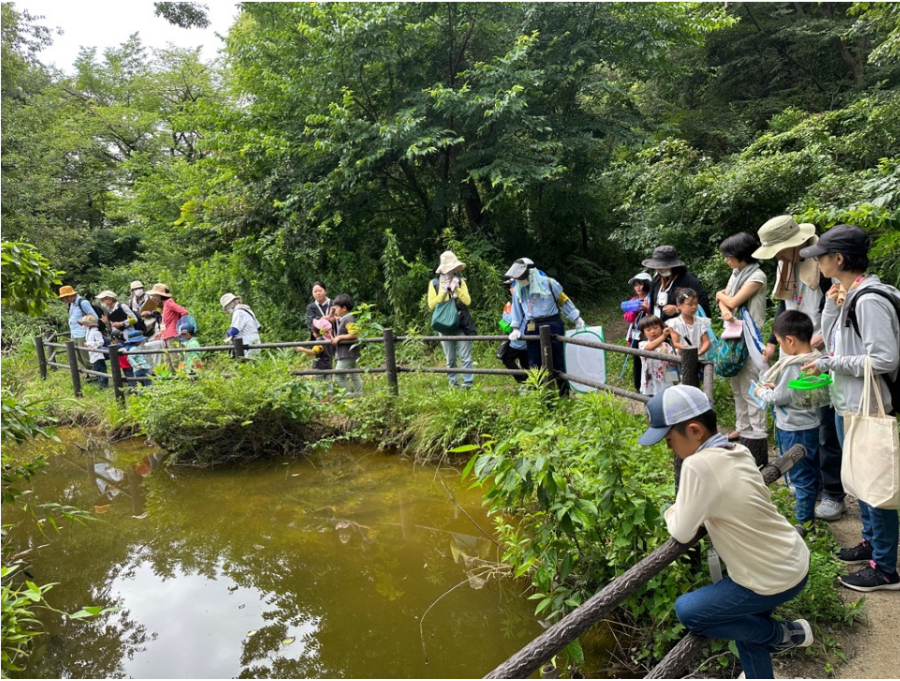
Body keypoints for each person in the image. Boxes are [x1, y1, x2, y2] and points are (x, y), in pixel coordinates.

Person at [638, 385, 812, 680]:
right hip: (792, 559)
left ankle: (781, 634)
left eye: (669, 441)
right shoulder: (738, 449)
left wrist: (670, 510)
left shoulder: (698, 465)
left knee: (688, 610)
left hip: (770, 578)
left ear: (694, 431)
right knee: (747, 623)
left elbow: (681, 530)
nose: (670, 450)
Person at [799, 224, 900, 591]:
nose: (817, 263)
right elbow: (830, 337)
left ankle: (886, 569)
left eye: (821, 257)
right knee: (861, 481)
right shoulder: (850, 294)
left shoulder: (870, 298)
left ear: (837, 259)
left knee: (876, 488)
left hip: (868, 406)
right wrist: (830, 300)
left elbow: (884, 359)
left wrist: (831, 364)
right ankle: (871, 545)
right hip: (851, 404)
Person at [753, 215, 845, 522]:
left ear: (795, 243)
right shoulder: (785, 264)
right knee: (801, 417)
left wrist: (819, 341)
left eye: (779, 250)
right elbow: (784, 306)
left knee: (824, 425)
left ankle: (833, 492)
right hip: (794, 349)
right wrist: (772, 339)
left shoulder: (824, 265)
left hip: (822, 354)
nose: (777, 256)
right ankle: (809, 484)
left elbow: (839, 306)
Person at [753, 311, 823, 529]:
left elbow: (780, 398)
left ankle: (804, 523)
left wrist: (760, 392)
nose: (781, 346)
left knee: (800, 475)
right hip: (811, 423)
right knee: (810, 469)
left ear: (790, 340)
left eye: (781, 342)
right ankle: (809, 512)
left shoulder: (793, 364)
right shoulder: (816, 358)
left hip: (793, 427)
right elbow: (794, 391)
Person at [505, 258, 585, 396]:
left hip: (552, 322)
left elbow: (563, 300)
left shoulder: (549, 283)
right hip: (531, 325)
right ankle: (542, 394)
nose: (520, 280)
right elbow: (517, 310)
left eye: (522, 277)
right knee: (534, 361)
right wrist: (516, 328)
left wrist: (576, 317)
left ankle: (563, 392)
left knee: (558, 359)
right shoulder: (519, 288)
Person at [715, 233, 768, 442]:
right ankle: (742, 426)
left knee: (751, 384)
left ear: (742, 255)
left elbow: (733, 299)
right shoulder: (737, 273)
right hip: (733, 333)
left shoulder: (757, 276)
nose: (727, 260)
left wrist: (721, 297)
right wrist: (723, 304)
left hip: (749, 337)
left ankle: (757, 433)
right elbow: (726, 301)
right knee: (736, 385)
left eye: (729, 256)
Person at [428, 251, 475, 389]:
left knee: (466, 357)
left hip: (460, 324)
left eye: (453, 268)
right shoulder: (434, 283)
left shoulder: (461, 282)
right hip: (444, 325)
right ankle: (453, 384)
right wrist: (443, 292)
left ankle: (467, 385)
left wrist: (457, 290)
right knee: (450, 359)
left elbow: (467, 301)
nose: (451, 271)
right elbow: (431, 305)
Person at [644, 246, 710, 325]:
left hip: (683, 330)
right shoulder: (657, 279)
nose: (660, 270)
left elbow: (702, 307)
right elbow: (652, 305)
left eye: (663, 266)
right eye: (658, 267)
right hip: (660, 331)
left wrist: (678, 310)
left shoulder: (689, 280)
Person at [624, 273, 652, 391]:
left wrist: (647, 309)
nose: (638, 287)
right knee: (637, 358)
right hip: (636, 333)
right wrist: (635, 310)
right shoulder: (633, 300)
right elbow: (628, 318)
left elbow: (657, 315)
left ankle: (650, 384)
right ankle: (638, 385)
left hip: (650, 333)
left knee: (650, 358)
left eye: (640, 284)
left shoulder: (652, 298)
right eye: (635, 285)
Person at [497, 281, 530, 383]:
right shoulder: (526, 299)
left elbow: (513, 319)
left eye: (512, 286)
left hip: (520, 337)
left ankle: (523, 381)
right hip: (524, 335)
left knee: (507, 358)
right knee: (525, 361)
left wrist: (505, 314)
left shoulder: (520, 300)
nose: (511, 289)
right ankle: (530, 383)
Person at [331, 294, 362, 397]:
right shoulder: (345, 319)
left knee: (338, 376)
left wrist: (340, 337)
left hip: (346, 354)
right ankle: (358, 396)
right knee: (354, 375)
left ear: (344, 308)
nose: (335, 311)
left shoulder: (348, 319)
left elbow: (354, 334)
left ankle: (349, 397)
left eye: (336, 308)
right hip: (350, 352)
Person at [58, 285, 95, 371]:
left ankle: (95, 374)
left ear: (70, 295)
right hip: (75, 334)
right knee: (78, 355)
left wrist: (85, 323)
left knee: (85, 355)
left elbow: (94, 317)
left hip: (83, 332)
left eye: (65, 297)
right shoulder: (71, 304)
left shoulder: (82, 302)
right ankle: (89, 372)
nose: (64, 300)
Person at [666, 288, 711, 358]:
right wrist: (687, 348)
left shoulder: (701, 322)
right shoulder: (675, 323)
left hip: (698, 357)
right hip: (681, 359)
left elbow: (706, 341)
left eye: (696, 304)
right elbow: (674, 343)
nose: (694, 307)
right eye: (690, 304)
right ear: (679, 305)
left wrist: (700, 352)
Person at [638, 315, 677, 397]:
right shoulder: (643, 344)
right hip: (650, 383)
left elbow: (672, 364)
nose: (653, 331)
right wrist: (663, 336)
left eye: (656, 327)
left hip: (665, 382)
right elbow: (649, 348)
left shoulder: (666, 346)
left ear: (661, 328)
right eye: (648, 330)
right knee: (650, 404)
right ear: (643, 332)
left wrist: (674, 355)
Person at [297, 317, 335, 390]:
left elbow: (314, 351)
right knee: (329, 384)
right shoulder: (330, 339)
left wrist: (302, 349)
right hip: (328, 365)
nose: (313, 333)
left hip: (320, 366)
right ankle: (331, 398)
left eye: (313, 332)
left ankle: (317, 398)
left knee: (318, 384)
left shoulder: (319, 341)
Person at [220, 293, 262, 358]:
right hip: (256, 343)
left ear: (231, 304)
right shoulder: (248, 310)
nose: (227, 309)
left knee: (246, 365)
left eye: (227, 307)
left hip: (246, 345)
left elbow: (235, 330)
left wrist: (228, 333)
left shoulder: (238, 312)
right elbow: (259, 327)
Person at [79, 315, 108, 388]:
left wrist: (89, 344)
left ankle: (103, 384)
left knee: (101, 369)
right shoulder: (88, 331)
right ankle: (100, 381)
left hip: (97, 353)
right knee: (97, 369)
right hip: (92, 353)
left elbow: (101, 342)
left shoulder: (96, 332)